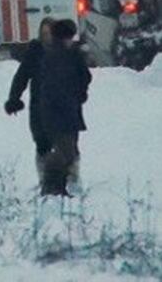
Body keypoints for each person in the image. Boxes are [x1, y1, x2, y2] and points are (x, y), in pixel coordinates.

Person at [37, 19, 92, 196]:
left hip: (60, 111)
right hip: (62, 111)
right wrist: (78, 93)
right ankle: (52, 183)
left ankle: (57, 184)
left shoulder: (55, 56)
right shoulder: (65, 56)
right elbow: (83, 77)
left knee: (69, 149)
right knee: (67, 151)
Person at [4, 18, 55, 187]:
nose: (47, 37)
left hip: (61, 107)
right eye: (44, 33)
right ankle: (45, 181)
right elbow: (21, 77)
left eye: (50, 33)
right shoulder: (35, 52)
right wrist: (14, 98)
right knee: (42, 143)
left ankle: (69, 180)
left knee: (66, 145)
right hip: (39, 107)